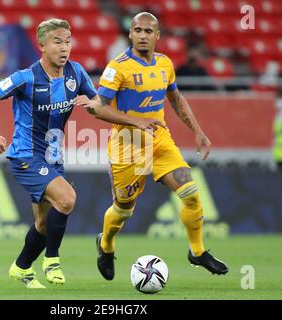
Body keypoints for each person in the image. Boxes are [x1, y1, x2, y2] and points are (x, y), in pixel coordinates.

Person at [0, 18, 162, 289]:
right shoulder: (25, 78)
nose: (65, 47)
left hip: (53, 157)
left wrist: (93, 103)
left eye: (68, 41)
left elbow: (98, 103)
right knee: (67, 199)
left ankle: (20, 268)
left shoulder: (76, 74)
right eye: (57, 42)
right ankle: (52, 260)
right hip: (25, 155)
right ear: (42, 45)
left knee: (42, 223)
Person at [95, 12, 228, 281]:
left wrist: (198, 132)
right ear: (130, 34)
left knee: (190, 192)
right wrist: (135, 121)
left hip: (159, 141)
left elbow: (176, 98)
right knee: (123, 210)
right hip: (127, 146)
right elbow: (98, 108)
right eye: (137, 30)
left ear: (158, 36)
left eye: (148, 31)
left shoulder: (165, 64)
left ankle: (197, 252)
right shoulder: (118, 67)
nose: (142, 35)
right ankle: (106, 245)